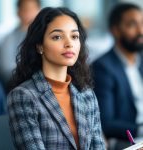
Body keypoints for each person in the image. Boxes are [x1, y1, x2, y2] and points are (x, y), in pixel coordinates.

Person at [7, 7, 105, 150]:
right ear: (40, 46)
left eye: (74, 36)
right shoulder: (23, 96)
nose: (69, 44)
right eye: (57, 37)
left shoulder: (87, 95)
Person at [90, 3, 143, 149]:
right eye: (132, 24)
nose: (141, 30)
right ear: (115, 30)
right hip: (129, 141)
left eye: (142, 23)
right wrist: (140, 129)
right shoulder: (102, 67)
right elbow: (106, 123)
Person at [0, 0, 41, 91]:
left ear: (39, 11)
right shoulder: (8, 39)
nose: (29, 13)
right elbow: (6, 70)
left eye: (32, 9)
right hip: (20, 87)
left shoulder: (46, 36)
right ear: (18, 12)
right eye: (26, 9)